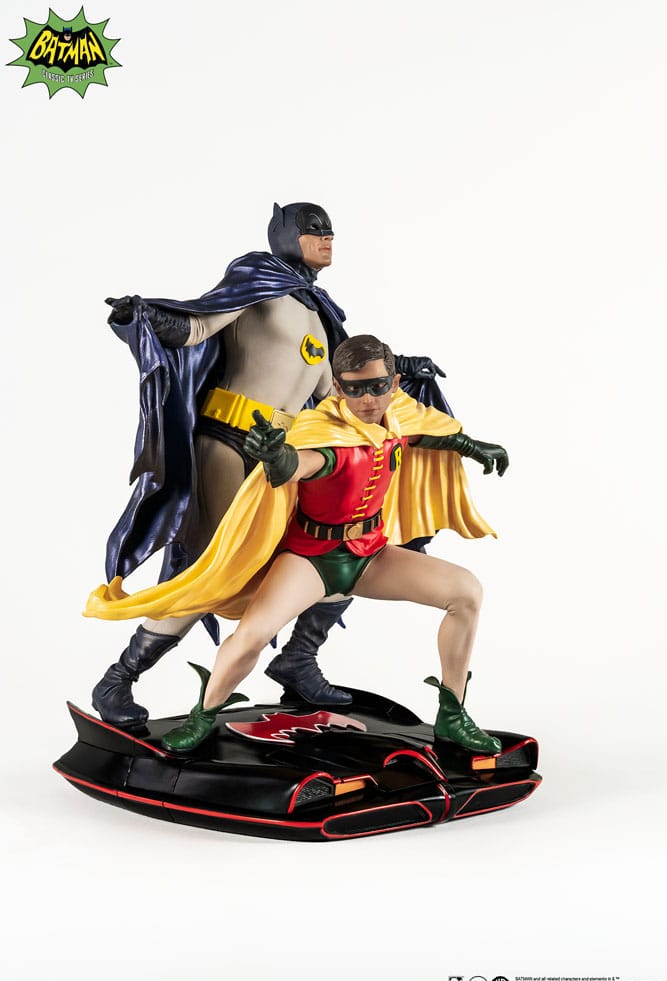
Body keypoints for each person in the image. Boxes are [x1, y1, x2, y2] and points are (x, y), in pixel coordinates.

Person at [92, 203, 452, 728]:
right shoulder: (255, 280)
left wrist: (401, 373)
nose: (327, 238)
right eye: (313, 229)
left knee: (337, 552)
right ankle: (119, 679)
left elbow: (337, 396)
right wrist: (145, 316)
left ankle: (298, 659)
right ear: (284, 234)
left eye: (330, 230)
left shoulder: (321, 313)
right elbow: (197, 325)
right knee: (213, 569)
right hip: (229, 444)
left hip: (286, 460)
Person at [85, 335, 508, 755]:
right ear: (338, 387)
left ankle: (452, 714)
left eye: (378, 386)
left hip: (370, 556)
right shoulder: (323, 432)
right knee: (251, 637)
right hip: (312, 560)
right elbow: (299, 463)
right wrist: (276, 457)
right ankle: (205, 713)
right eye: (355, 389)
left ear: (394, 384)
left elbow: (424, 433)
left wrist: (470, 446)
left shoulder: (398, 415)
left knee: (466, 591)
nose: (367, 399)